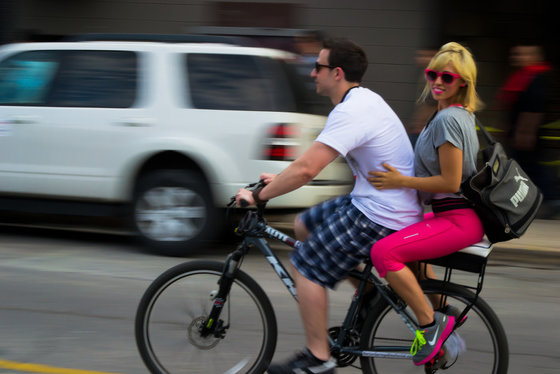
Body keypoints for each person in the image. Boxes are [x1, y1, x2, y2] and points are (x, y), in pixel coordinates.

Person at [235, 37, 423, 374]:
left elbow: (308, 170)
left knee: (305, 263)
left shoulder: (352, 111)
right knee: (305, 225)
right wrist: (275, 181)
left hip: (381, 212)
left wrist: (260, 196)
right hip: (378, 201)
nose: (311, 73)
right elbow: (305, 164)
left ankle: (318, 360)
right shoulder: (360, 101)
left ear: (336, 73)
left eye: (317, 67)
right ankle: (368, 295)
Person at [367, 41, 485, 366]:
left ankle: (431, 326)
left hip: (457, 219)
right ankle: (446, 313)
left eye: (447, 77)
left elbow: (450, 181)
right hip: (451, 216)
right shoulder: (454, 114)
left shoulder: (449, 120)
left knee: (383, 253)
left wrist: (399, 182)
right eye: (432, 73)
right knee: (413, 260)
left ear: (463, 82)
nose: (437, 81)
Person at [497, 44, 557, 214]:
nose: (517, 57)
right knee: (526, 168)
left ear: (535, 56)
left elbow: (533, 109)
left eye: (522, 54)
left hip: (527, 135)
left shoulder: (536, 78)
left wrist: (525, 132)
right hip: (519, 133)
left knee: (529, 168)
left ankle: (551, 199)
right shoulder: (522, 76)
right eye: (516, 54)